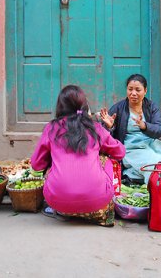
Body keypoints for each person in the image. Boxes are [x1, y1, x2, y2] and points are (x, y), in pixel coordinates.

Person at [31, 85, 125, 227]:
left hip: (56, 200)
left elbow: (36, 164)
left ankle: (61, 210)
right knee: (107, 159)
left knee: (51, 164)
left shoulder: (52, 128)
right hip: (99, 199)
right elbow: (120, 152)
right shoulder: (95, 128)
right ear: (85, 106)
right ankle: (97, 210)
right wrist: (106, 135)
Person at [99, 74, 161, 184]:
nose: (133, 93)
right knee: (154, 163)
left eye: (138, 90)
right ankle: (156, 188)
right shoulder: (118, 108)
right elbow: (103, 135)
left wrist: (145, 126)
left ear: (145, 91)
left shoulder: (151, 107)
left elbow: (160, 129)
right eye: (130, 89)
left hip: (151, 143)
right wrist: (110, 127)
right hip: (131, 148)